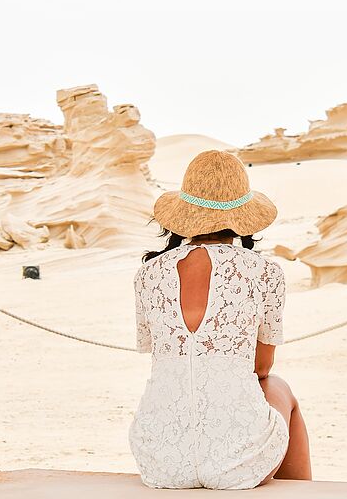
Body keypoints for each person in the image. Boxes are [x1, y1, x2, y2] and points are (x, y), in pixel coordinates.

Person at [128, 149, 312, 489]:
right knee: (278, 387)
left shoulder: (148, 274)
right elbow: (261, 368)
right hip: (236, 459)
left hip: (159, 455)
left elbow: (166, 356)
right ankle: (304, 492)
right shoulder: (265, 272)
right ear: (244, 218)